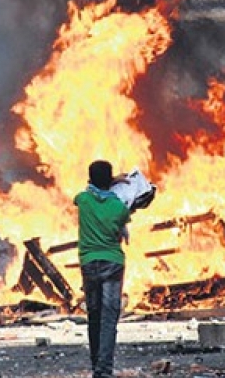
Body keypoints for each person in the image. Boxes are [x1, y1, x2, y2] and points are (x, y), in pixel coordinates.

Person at [75, 160, 131, 378]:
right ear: (110, 181)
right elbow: (123, 220)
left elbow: (88, 189)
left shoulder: (83, 200)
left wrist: (107, 181)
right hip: (113, 264)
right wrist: (116, 181)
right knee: (109, 318)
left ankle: (95, 364)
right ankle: (104, 370)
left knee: (94, 315)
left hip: (89, 264)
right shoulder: (119, 208)